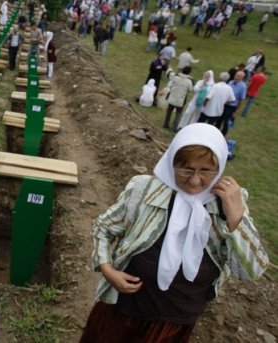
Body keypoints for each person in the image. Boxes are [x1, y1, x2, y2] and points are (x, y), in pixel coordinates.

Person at [80, 123, 269, 343]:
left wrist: (237, 219)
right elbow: (103, 228)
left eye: (206, 171)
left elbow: (251, 272)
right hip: (122, 312)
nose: (195, 181)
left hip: (174, 323)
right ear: (172, 163)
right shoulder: (143, 191)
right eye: (186, 169)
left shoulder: (228, 204)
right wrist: (108, 269)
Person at [163, 66, 193, 131]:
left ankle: (165, 124)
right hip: (180, 100)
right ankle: (174, 127)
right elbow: (190, 89)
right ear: (189, 72)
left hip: (172, 97)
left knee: (169, 112)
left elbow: (169, 75)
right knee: (178, 114)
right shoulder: (189, 81)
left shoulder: (176, 77)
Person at [217, 70, 246, 136]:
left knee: (226, 123)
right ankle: (216, 132)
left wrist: (236, 111)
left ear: (242, 78)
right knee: (219, 119)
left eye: (238, 76)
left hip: (231, 107)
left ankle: (222, 135)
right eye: (236, 75)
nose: (236, 77)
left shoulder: (243, 87)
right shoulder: (230, 82)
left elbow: (242, 99)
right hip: (224, 104)